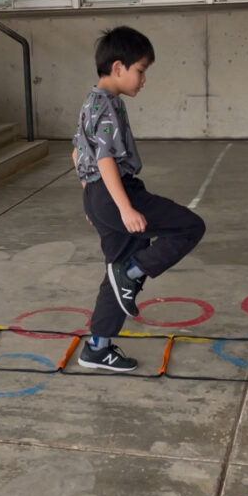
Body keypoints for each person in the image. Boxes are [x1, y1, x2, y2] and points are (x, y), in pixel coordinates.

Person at [71, 26, 206, 372]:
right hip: (117, 192)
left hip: (98, 195)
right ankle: (132, 273)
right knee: (189, 227)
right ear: (118, 68)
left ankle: (98, 347)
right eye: (141, 71)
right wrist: (123, 206)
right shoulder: (107, 104)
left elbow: (76, 153)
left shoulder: (92, 100)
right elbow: (103, 159)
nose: (143, 79)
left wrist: (92, 199)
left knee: (113, 274)